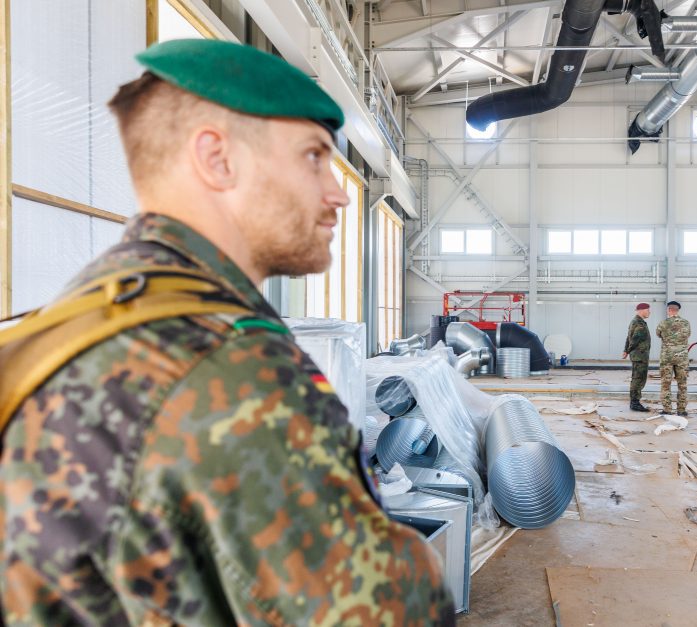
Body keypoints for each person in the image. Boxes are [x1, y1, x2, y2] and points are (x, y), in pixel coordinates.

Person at [0, 40, 453, 625]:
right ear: (217, 159)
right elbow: (392, 611)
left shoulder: (61, 326)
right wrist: (419, 562)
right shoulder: (232, 372)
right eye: (314, 157)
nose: (339, 192)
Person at [656, 301, 691, 416]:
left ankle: (667, 409)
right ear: (678, 310)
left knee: (666, 384)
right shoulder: (686, 323)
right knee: (682, 384)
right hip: (682, 358)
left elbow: (658, 334)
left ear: (669, 310)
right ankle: (681, 410)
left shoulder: (663, 323)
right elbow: (688, 335)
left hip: (667, 357)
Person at [622, 303, 652, 412]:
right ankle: (635, 403)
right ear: (642, 310)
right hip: (640, 356)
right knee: (638, 379)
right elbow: (634, 339)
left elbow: (628, 338)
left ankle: (634, 401)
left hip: (639, 355)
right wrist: (628, 350)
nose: (649, 312)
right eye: (648, 310)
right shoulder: (638, 323)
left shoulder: (635, 321)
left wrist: (626, 350)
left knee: (637, 378)